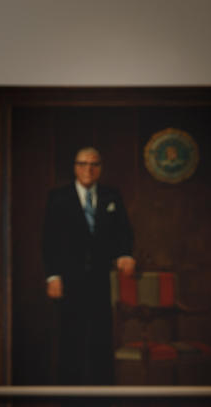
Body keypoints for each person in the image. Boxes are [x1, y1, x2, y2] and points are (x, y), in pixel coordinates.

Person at [42, 147, 135, 386]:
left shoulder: (111, 196)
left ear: (100, 169)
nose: (88, 169)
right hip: (69, 280)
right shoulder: (58, 197)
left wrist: (124, 253)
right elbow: (49, 239)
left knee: (101, 339)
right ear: (75, 167)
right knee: (71, 339)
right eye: (83, 164)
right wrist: (52, 276)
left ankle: (102, 404)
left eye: (94, 164)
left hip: (101, 279)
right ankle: (71, 406)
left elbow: (123, 231)